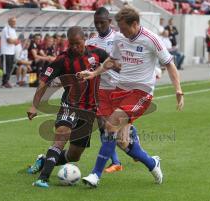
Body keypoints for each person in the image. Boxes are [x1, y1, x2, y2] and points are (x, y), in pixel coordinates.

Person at [80, 7, 184, 187]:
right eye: (119, 28)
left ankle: (95, 175)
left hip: (141, 93)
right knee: (122, 141)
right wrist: (94, 73)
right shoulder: (120, 38)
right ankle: (153, 163)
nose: (120, 31)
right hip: (120, 90)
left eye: (123, 28)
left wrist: (178, 90)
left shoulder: (151, 39)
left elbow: (169, 64)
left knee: (110, 125)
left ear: (135, 24)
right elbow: (112, 61)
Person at [27, 26, 109, 188]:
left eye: (77, 43)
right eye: (71, 44)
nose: (74, 47)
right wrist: (33, 106)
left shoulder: (97, 53)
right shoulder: (62, 59)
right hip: (70, 105)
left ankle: (43, 161)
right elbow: (44, 82)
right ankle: (43, 179)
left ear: (84, 41)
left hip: (89, 111)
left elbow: (114, 62)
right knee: (61, 137)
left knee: (74, 155)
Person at [86, 7, 137, 173]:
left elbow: (126, 65)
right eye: (96, 23)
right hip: (101, 89)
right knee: (103, 124)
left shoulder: (120, 38)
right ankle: (115, 161)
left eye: (102, 22)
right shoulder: (90, 42)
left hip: (120, 87)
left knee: (118, 127)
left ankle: (134, 145)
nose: (99, 25)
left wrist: (110, 65)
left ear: (109, 22)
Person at [0, 17, 18, 88]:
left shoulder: (13, 30)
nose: (15, 23)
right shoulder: (6, 29)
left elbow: (16, 41)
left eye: (15, 22)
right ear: (9, 22)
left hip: (11, 52)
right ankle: (4, 82)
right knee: (6, 68)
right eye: (13, 21)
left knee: (10, 67)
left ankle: (7, 81)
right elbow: (9, 41)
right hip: (5, 51)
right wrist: (14, 41)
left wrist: (14, 41)